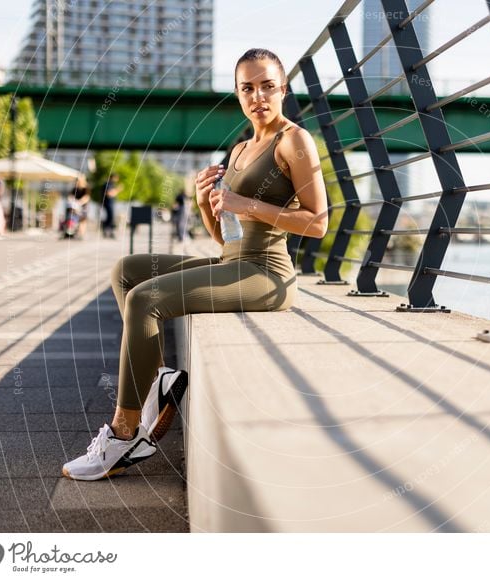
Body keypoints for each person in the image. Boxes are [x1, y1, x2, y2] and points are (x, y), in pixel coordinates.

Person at [62, 48, 329, 480]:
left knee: (146, 299)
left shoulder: (294, 140)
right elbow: (226, 237)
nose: (258, 96)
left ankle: (123, 433)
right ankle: (157, 383)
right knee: (129, 271)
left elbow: (318, 222)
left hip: (266, 274)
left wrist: (247, 202)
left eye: (267, 86)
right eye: (247, 88)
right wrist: (207, 201)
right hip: (233, 259)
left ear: (283, 89)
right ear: (238, 94)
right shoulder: (242, 148)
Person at [100, 173, 121, 238]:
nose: (117, 180)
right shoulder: (108, 184)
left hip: (110, 203)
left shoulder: (112, 184)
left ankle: (108, 231)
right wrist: (118, 190)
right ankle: (107, 230)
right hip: (108, 203)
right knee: (110, 217)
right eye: (116, 178)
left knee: (110, 217)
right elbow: (109, 194)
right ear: (113, 177)